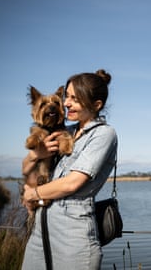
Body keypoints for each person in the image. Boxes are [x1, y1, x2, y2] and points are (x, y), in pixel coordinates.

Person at [21, 69, 117, 270]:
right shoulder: (65, 131)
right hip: (40, 232)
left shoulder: (103, 135)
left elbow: (73, 182)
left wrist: (33, 194)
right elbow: (25, 167)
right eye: (67, 97)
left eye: (75, 98)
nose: (66, 103)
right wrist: (36, 155)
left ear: (96, 105)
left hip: (73, 238)